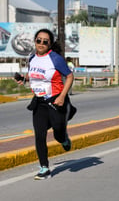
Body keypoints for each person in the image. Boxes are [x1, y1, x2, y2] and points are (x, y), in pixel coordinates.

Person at [15, 29, 74, 180]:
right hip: (39, 103)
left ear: (50, 44)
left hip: (55, 101)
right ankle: (44, 167)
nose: (41, 44)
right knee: (39, 135)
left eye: (45, 41)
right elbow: (34, 75)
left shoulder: (55, 59)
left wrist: (62, 96)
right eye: (38, 40)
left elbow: (69, 76)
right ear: (35, 41)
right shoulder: (32, 57)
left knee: (58, 134)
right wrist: (24, 79)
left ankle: (64, 139)